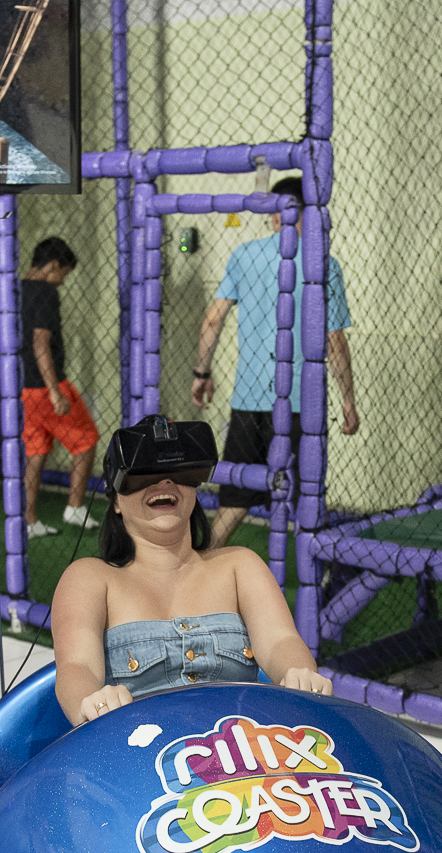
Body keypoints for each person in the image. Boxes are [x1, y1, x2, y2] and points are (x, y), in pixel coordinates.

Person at [51, 416, 332, 727]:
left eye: (179, 472)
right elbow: (77, 666)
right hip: (138, 747)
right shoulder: (89, 577)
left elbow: (280, 640)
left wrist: (299, 675)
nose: (164, 482)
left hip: (241, 748)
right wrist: (91, 702)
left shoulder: (240, 565)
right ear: (116, 500)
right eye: (144, 473)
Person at [193, 176, 359, 548]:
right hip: (300, 402)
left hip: (249, 398)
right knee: (304, 498)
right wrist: (348, 400)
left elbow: (212, 320)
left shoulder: (245, 255)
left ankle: (201, 564)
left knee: (235, 497)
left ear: (275, 213)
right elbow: (334, 341)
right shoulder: (323, 264)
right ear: (309, 212)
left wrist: (201, 372)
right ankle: (315, 573)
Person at [21, 237, 101, 539]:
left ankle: (29, 520)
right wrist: (54, 390)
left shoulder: (11, 290)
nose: (62, 282)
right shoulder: (46, 292)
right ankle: (75, 507)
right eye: (63, 274)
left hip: (23, 390)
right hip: (47, 386)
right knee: (87, 440)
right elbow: (40, 342)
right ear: (53, 266)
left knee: (36, 452)